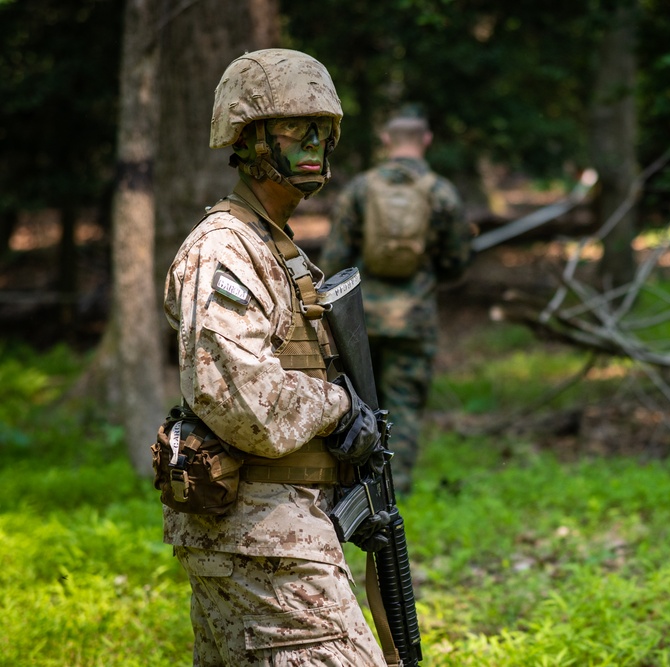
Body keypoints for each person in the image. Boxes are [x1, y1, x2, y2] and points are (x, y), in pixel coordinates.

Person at [162, 48, 389, 666]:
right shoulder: (225, 250)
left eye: (325, 129)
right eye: (294, 128)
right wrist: (341, 405)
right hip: (262, 538)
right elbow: (243, 400)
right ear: (249, 139)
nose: (315, 142)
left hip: (277, 531)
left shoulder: (276, 247)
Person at [319, 109, 472, 496]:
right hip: (414, 318)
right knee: (403, 403)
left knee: (360, 404)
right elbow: (456, 264)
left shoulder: (360, 189)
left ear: (387, 140)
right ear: (427, 139)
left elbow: (335, 261)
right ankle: (397, 486)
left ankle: (358, 485)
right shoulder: (441, 192)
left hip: (362, 322)